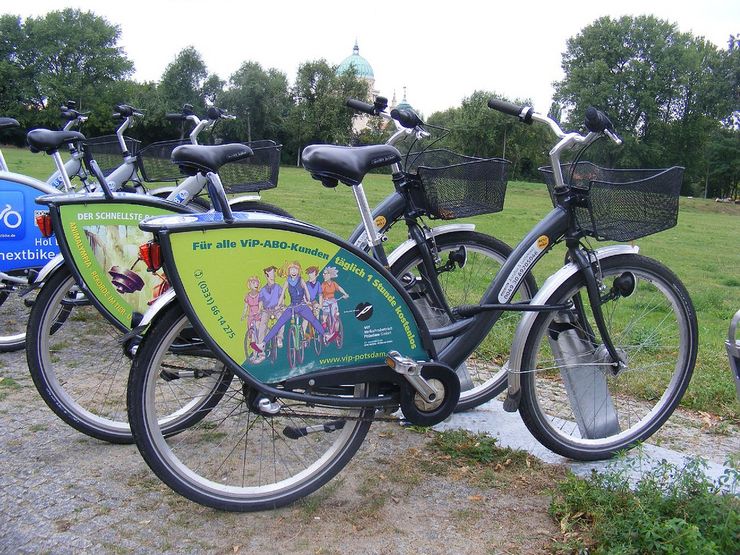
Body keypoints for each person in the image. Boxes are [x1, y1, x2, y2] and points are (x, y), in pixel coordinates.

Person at [256, 261, 324, 363]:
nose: (293, 271)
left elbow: (306, 291)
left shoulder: (301, 280)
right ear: (288, 271)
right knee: (279, 324)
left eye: (295, 269)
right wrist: (279, 305)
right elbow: (283, 293)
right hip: (292, 307)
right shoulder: (287, 282)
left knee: (313, 320)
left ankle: (325, 335)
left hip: (302, 305)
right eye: (291, 269)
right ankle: (263, 343)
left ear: (298, 271)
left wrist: (309, 299)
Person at [253, 266, 283, 363]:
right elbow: (261, 302)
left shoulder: (278, 287)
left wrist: (281, 306)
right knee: (262, 328)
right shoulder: (262, 290)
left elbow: (282, 299)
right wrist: (259, 310)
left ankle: (279, 338)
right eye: (270, 273)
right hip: (266, 310)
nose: (273, 275)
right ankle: (261, 354)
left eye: (273, 273)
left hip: (276, 309)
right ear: (266, 275)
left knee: (281, 320)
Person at [320, 266, 349, 343]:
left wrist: (345, 294)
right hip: (326, 300)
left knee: (335, 316)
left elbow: (339, 288)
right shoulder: (323, 284)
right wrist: (322, 301)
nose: (324, 275)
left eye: (325, 274)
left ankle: (336, 333)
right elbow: (320, 294)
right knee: (325, 312)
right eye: (323, 274)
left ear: (330, 275)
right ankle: (324, 324)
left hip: (333, 300)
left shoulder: (333, 283)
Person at [240, 275, 261, 362]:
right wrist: (243, 315)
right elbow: (246, 307)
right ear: (249, 284)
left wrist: (259, 311)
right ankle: (255, 354)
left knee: (258, 334)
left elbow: (261, 306)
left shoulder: (260, 295)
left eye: (257, 282)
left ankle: (259, 352)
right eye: (253, 283)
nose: (255, 284)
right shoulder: (247, 296)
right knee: (252, 336)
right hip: (251, 316)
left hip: (258, 316)